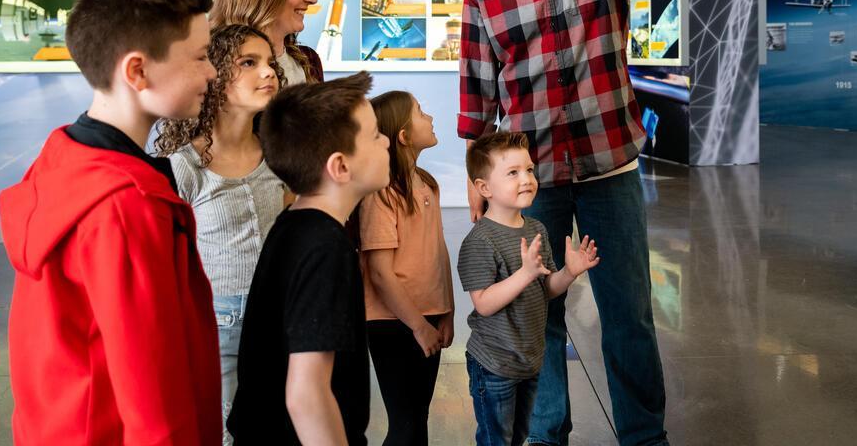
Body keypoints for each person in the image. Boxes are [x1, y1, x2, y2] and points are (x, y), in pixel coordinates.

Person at [458, 0, 733, 446]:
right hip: (534, 182)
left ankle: (643, 435)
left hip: (611, 166)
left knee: (628, 313)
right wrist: (477, 187)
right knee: (539, 314)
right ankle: (547, 434)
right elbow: (478, 95)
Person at [0, 0, 221, 445]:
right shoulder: (124, 206)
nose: (212, 72)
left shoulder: (62, 160)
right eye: (200, 56)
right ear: (137, 71)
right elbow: (151, 392)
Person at [227, 73, 389, 446]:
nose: (385, 143)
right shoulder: (325, 247)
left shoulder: (294, 225)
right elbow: (306, 395)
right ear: (340, 167)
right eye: (375, 135)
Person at [156, 23, 289, 445]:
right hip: (219, 323)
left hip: (280, 315)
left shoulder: (279, 156)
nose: (267, 72)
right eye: (248, 63)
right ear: (214, 76)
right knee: (224, 429)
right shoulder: (184, 166)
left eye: (269, 63)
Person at [457, 132, 600, 446]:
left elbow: (544, 288)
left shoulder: (536, 228)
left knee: (519, 435)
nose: (526, 179)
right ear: (484, 188)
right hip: (494, 364)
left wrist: (568, 272)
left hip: (529, 359)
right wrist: (524, 274)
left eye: (530, 170)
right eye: (512, 173)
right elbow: (483, 303)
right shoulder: (480, 241)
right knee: (497, 438)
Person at [358, 91, 455, 446]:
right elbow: (379, 271)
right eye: (420, 112)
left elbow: (437, 251)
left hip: (428, 317)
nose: (430, 117)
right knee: (404, 422)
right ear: (403, 135)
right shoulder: (381, 192)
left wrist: (447, 312)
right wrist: (418, 326)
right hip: (392, 322)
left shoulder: (427, 183)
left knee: (418, 418)